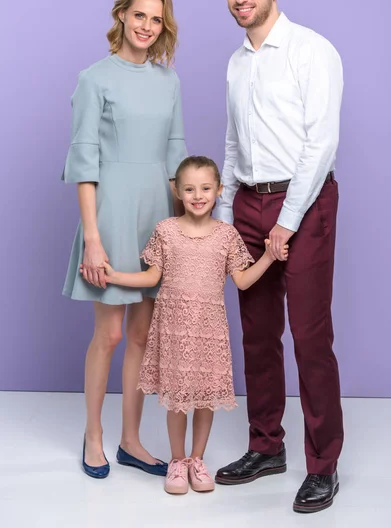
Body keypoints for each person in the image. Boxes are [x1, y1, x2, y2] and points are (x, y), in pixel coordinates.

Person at [215, 0, 344, 513]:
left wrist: (287, 222)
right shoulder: (236, 61)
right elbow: (232, 144)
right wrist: (223, 218)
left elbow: (321, 143)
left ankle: (324, 465)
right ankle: (266, 446)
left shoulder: (312, 50)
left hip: (305, 203)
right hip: (247, 203)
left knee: (311, 339)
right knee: (257, 333)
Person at [81, 155, 289, 494]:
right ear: (177, 190)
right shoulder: (166, 231)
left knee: (204, 399)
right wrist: (115, 275)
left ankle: (197, 459)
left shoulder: (226, 235)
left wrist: (268, 256)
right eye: (189, 188)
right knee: (178, 398)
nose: (197, 195)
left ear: (219, 191)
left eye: (206, 188)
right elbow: (152, 276)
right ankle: (177, 461)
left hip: (209, 331)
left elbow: (242, 281)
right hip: (174, 330)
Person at [62, 0, 187, 479]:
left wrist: (185, 230)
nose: (146, 26)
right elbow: (84, 162)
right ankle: (93, 435)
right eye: (139, 15)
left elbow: (177, 155)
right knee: (110, 334)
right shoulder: (95, 78)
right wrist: (92, 237)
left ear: (163, 27)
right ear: (121, 15)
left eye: (156, 19)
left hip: (159, 212)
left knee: (142, 335)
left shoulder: (169, 81)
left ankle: (131, 440)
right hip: (111, 214)